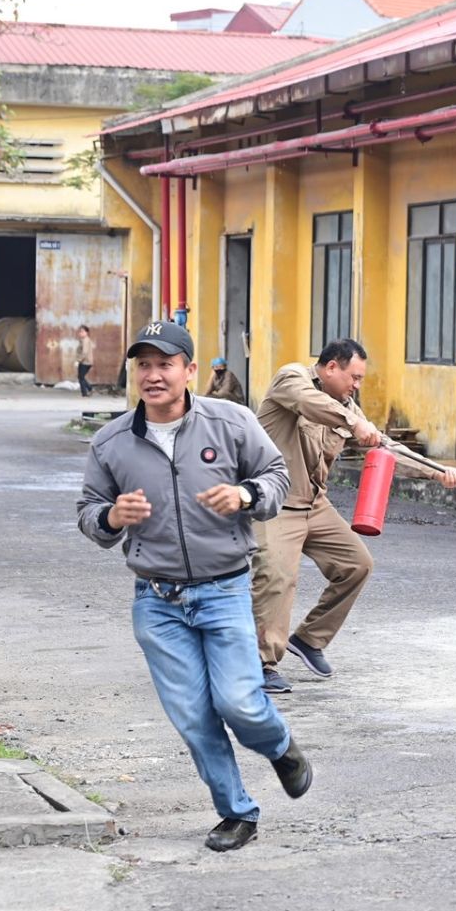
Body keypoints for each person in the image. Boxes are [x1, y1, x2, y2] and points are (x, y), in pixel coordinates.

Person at [76, 319, 310, 853]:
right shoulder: (111, 442)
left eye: (165, 364)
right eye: (144, 365)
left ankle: (280, 747)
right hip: (157, 602)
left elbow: (277, 476)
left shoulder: (231, 422)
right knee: (194, 717)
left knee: (240, 703)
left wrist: (245, 495)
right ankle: (236, 812)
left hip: (224, 590)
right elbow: (89, 512)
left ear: (189, 370)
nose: (153, 375)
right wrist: (112, 516)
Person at [251, 339, 456, 692]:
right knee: (277, 578)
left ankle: (309, 639)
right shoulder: (291, 378)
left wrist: (438, 472)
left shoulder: (347, 407)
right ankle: (260, 663)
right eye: (354, 377)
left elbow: (385, 446)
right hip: (276, 502)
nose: (357, 385)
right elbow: (308, 402)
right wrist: (353, 422)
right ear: (331, 367)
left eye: (361, 379)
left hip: (313, 503)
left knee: (357, 565)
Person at [75, 325, 95, 398]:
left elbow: (84, 352)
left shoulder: (85, 341)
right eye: (80, 332)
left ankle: (85, 393)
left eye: (82, 331)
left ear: (87, 332)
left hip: (85, 362)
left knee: (81, 377)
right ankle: (89, 389)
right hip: (85, 361)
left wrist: (78, 360)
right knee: (81, 377)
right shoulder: (84, 340)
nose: (81, 333)